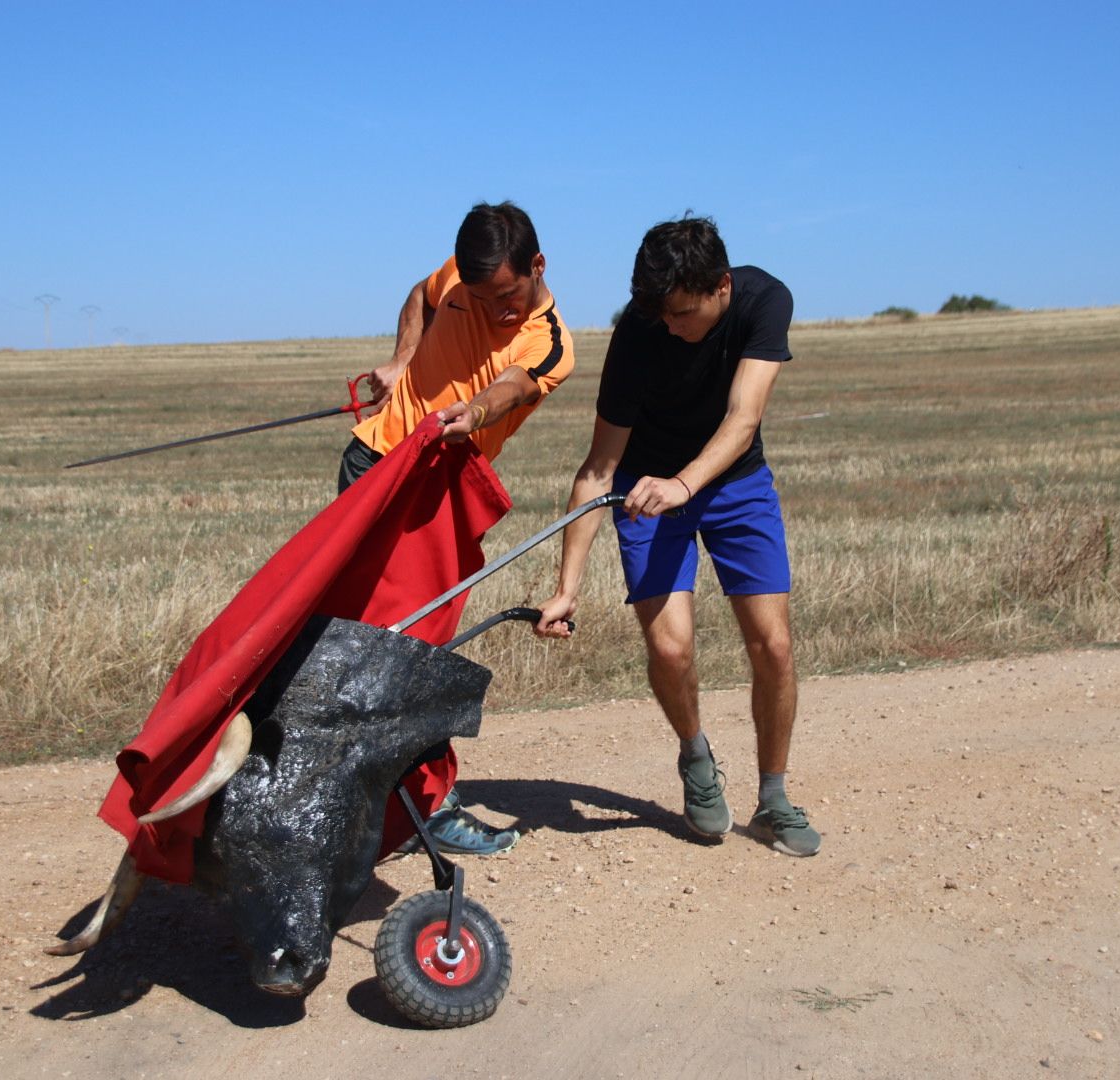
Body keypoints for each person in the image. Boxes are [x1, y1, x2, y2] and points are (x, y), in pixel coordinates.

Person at [534, 215, 820, 857]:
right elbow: (598, 470)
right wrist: (566, 589)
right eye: (660, 313)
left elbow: (744, 419)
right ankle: (696, 756)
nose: (670, 326)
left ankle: (773, 797)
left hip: (731, 483)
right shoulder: (639, 331)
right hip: (646, 490)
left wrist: (685, 485)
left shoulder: (763, 300)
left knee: (772, 645)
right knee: (671, 650)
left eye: (682, 313)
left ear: (721, 286)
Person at [340, 200, 574, 855]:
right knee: (355, 644)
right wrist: (398, 363)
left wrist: (472, 413)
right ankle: (374, 806)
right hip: (369, 465)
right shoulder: (459, 279)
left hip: (435, 494)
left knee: (415, 650)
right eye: (482, 297)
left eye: (508, 295)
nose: (498, 309)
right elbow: (422, 293)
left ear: (538, 265)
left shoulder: (551, 340)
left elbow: (514, 387)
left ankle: (425, 806)